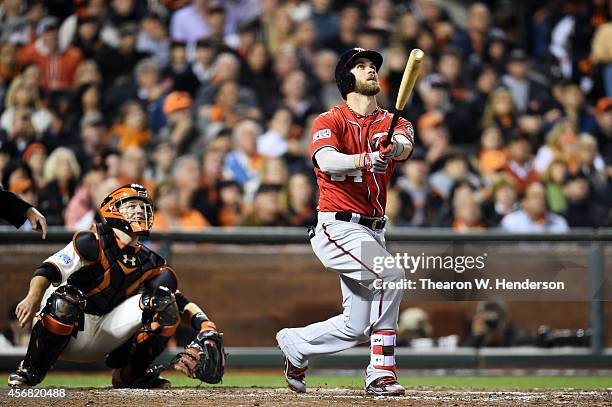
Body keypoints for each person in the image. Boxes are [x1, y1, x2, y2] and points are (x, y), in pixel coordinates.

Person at [276, 48, 414, 396]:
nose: (371, 71)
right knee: (391, 274)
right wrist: (368, 157)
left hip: (373, 230)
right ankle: (381, 372)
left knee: (355, 326)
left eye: (373, 66)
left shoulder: (393, 122)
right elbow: (327, 160)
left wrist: (391, 148)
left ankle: (296, 343)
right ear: (346, 78)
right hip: (337, 225)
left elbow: (404, 146)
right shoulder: (329, 119)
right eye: (362, 66)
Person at [8, 184, 224, 388]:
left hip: (107, 334)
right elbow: (48, 269)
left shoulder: (151, 263)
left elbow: (178, 301)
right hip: (67, 329)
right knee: (67, 299)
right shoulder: (91, 241)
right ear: (113, 210)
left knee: (164, 303)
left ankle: (132, 375)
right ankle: (31, 369)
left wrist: (207, 326)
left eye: (142, 206)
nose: (139, 211)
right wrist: (32, 298)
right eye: (131, 206)